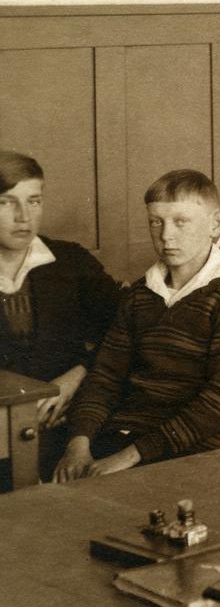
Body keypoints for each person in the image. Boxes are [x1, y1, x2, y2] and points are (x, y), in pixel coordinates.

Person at [56, 170, 220, 479]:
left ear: (215, 224)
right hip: (123, 437)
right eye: (156, 222)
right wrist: (78, 445)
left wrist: (127, 458)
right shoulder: (140, 294)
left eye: (181, 221)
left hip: (193, 453)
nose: (166, 235)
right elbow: (105, 378)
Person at [0, 150, 120, 479]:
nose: (23, 217)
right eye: (6, 203)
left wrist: (76, 376)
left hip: (74, 425)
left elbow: (126, 331)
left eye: (34, 201)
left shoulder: (71, 262)